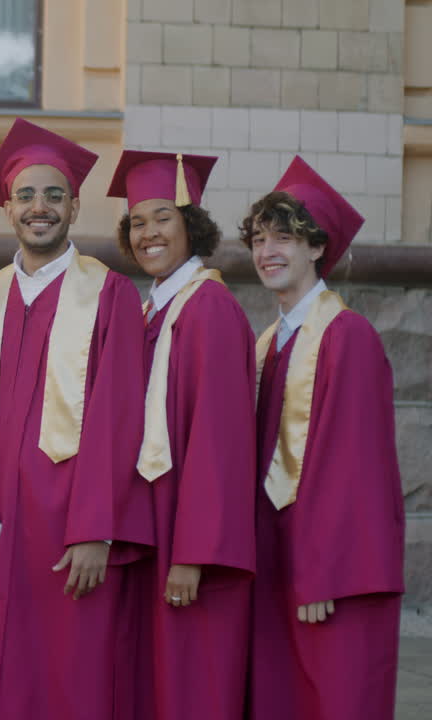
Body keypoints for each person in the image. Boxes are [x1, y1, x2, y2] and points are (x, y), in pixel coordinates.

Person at [0, 119, 154, 720]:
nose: (38, 207)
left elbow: (119, 418)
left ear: (74, 206)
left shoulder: (109, 293)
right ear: (7, 209)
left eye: (53, 195)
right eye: (25, 195)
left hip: (68, 520)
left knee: (70, 668)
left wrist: (96, 529)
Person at [242, 156, 404, 720]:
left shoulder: (347, 338)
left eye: (283, 237)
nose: (267, 251)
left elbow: (355, 468)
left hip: (330, 575)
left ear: (317, 247)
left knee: (333, 699)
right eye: (258, 239)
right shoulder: (269, 343)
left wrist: (322, 574)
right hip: (278, 560)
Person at [106, 151, 256, 720]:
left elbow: (220, 444)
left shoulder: (208, 309)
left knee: (192, 682)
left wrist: (194, 553)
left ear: (191, 224)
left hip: (186, 537)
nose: (148, 233)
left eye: (163, 217)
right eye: (137, 222)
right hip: (154, 525)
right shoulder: (154, 310)